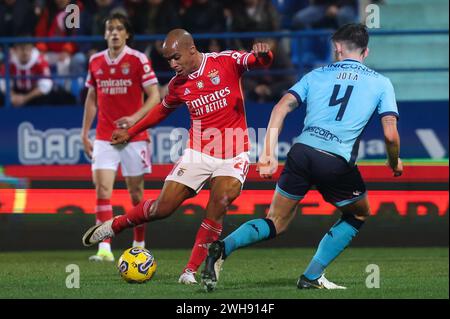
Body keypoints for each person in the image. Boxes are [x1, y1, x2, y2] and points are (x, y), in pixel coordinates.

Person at [200, 23, 403, 291]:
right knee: (359, 213)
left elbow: (281, 107)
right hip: (334, 160)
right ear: (366, 51)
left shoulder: (315, 75)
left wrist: (268, 153)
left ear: (337, 49)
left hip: (301, 152)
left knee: (276, 221)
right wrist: (393, 160)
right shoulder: (381, 83)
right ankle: (311, 276)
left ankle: (222, 248)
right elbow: (390, 135)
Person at [82, 28, 273, 284]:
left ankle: (192, 270)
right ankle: (115, 225)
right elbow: (161, 111)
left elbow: (258, 61)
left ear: (191, 49)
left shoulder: (225, 61)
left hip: (234, 151)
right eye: (168, 60)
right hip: (198, 152)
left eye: (176, 57)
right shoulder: (177, 85)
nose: (172, 64)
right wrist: (131, 132)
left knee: (221, 200)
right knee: (163, 208)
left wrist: (265, 55)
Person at [81, 12, 160, 262]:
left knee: (135, 194)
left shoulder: (138, 60)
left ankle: (139, 244)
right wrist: (85, 133)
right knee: (102, 188)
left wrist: (135, 119)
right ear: (105, 34)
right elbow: (92, 98)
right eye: (110, 29)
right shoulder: (95, 61)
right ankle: (104, 248)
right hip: (104, 136)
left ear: (127, 34)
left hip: (133, 136)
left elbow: (155, 96)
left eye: (119, 29)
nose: (114, 33)